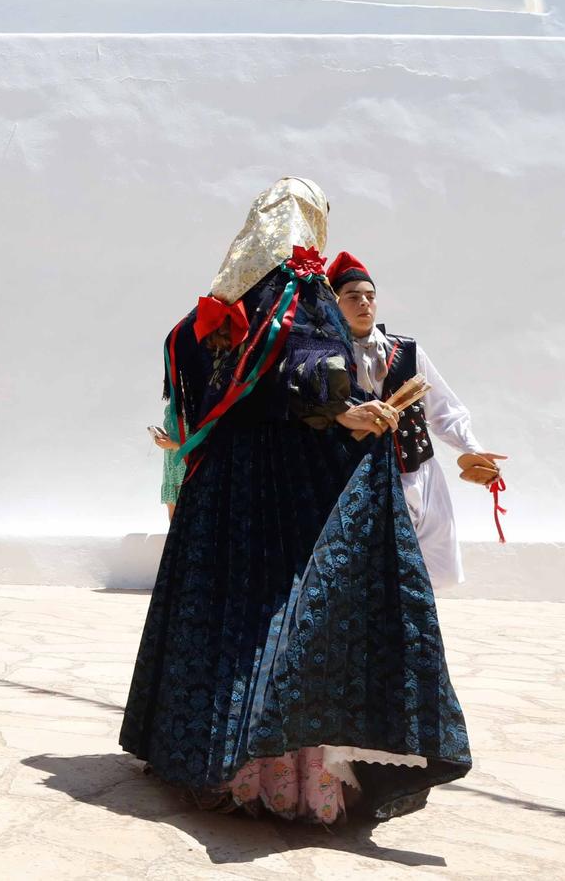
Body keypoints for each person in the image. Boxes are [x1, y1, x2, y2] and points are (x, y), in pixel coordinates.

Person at [121, 178, 471, 824]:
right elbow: (310, 363)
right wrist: (342, 407)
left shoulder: (224, 298)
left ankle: (206, 759)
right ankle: (278, 780)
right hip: (288, 483)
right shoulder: (299, 286)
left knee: (223, 617)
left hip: (221, 485)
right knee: (283, 620)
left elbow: (189, 356)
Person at [329, 252, 505, 588]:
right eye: (353, 297)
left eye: (370, 296)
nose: (364, 303)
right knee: (371, 570)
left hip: (418, 470)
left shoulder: (406, 351)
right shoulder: (327, 356)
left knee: (437, 569)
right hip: (357, 475)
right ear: (335, 304)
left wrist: (470, 448)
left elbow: (443, 409)